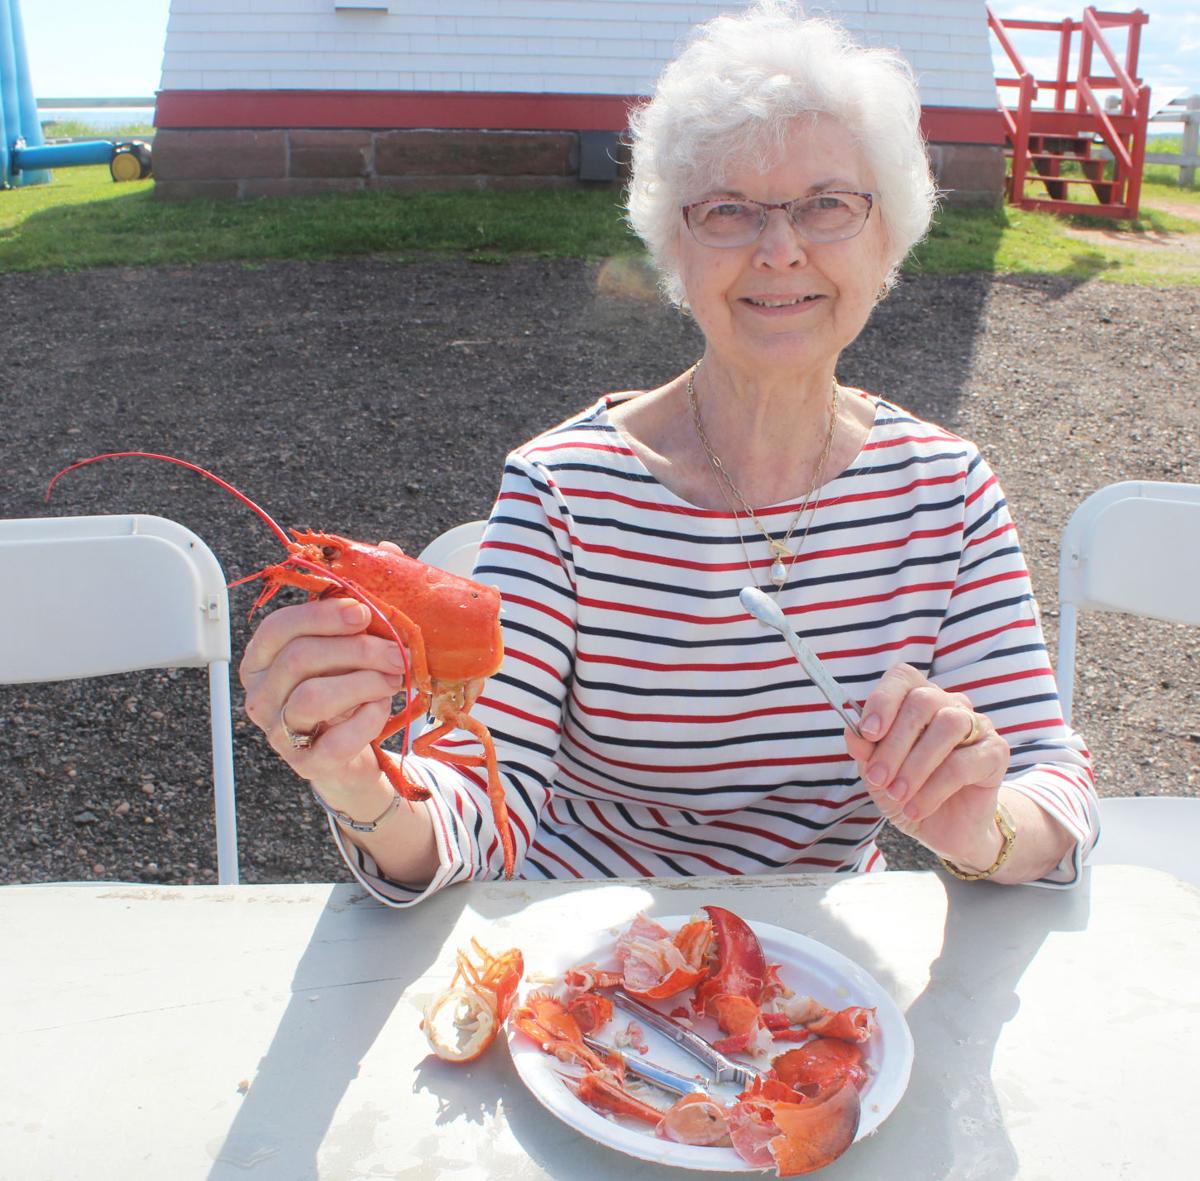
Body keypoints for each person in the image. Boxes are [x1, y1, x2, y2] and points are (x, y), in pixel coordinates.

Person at [240, 2, 1097, 905]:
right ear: (672, 246)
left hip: (821, 972)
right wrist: (354, 781)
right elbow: (481, 806)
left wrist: (985, 825)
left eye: (830, 206)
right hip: (579, 959)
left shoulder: (947, 493)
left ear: (888, 237)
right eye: (728, 210)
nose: (780, 249)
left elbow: (1052, 785)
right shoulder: (560, 489)